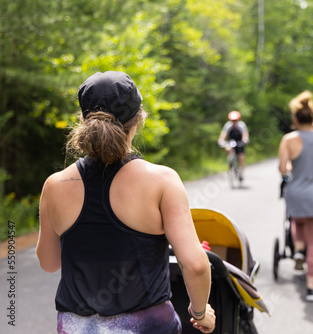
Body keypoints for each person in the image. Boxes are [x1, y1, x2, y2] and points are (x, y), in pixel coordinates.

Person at [36, 71, 215, 334]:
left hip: (76, 327)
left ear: (84, 119)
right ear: (138, 119)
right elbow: (196, 265)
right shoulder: (162, 180)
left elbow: (49, 262)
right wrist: (200, 313)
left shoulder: (55, 185)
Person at [278, 90, 313, 302]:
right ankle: (312, 288)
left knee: (297, 220)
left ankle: (298, 251)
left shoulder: (288, 139)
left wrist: (295, 169)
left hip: (296, 194)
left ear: (295, 119)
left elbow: (283, 168)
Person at [218, 111, 249, 180]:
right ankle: (230, 160)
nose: (234, 122)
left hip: (240, 142)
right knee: (228, 148)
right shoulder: (228, 125)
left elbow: (245, 135)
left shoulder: (242, 125)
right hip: (231, 142)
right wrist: (221, 141)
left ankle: (241, 173)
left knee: (241, 158)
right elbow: (223, 135)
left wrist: (245, 140)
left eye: (235, 120)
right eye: (232, 120)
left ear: (238, 120)